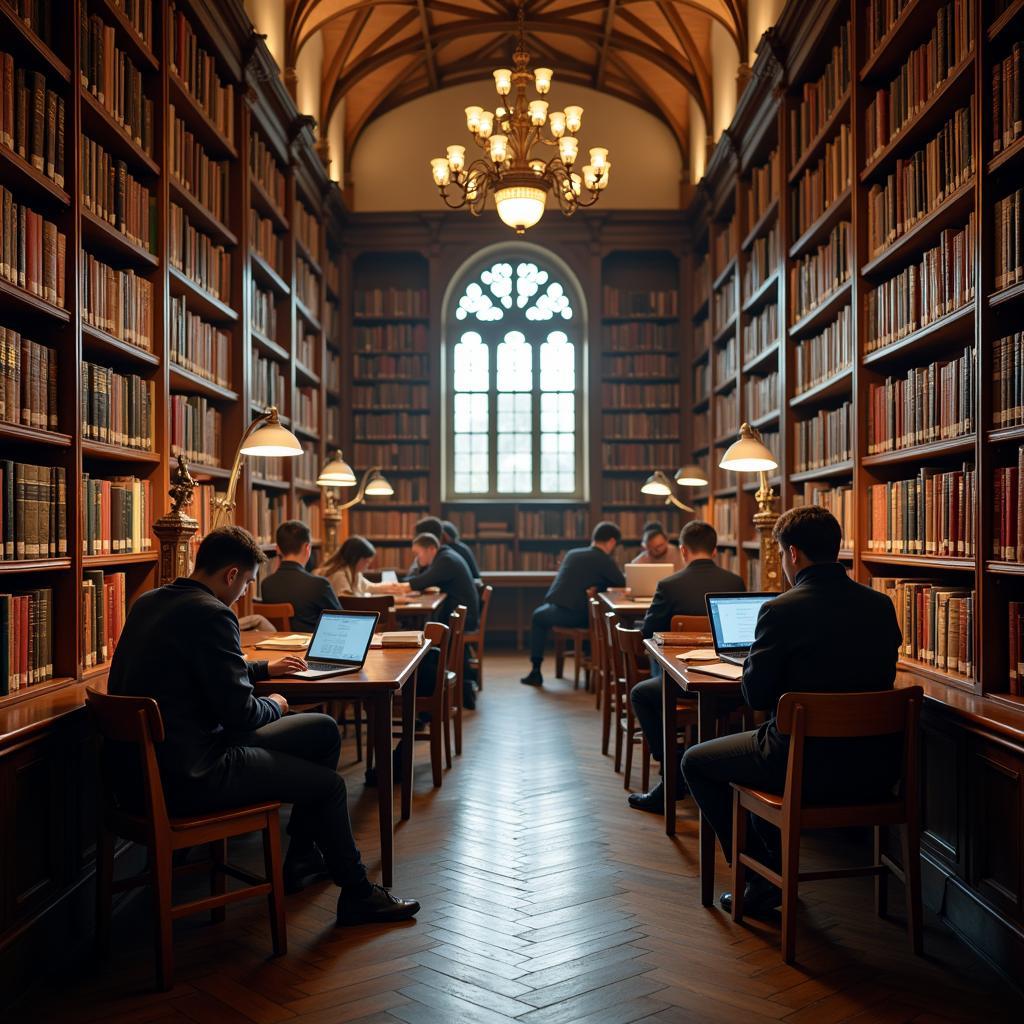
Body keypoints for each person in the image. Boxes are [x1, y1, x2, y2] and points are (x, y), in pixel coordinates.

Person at [106, 525, 419, 925]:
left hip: (133, 777)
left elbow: (207, 669)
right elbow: (241, 716)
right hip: (195, 773)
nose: (244, 593)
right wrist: (275, 703)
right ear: (232, 574)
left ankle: (304, 857)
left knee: (323, 731)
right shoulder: (213, 614)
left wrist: (262, 668)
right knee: (330, 786)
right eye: (248, 581)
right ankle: (357, 893)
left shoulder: (148, 601)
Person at [681, 506, 903, 916]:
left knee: (695, 761)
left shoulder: (780, 610)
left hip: (801, 768)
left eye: (782, 555)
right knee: (762, 751)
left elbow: (757, 697)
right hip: (877, 769)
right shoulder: (881, 605)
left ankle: (765, 879)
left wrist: (752, 660)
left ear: (793, 554)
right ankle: (767, 872)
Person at [628, 520, 745, 813]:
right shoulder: (735, 582)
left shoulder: (669, 585)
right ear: (716, 550)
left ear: (682, 550)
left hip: (681, 686)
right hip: (728, 686)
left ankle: (671, 773)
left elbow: (649, 635)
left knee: (641, 694)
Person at [521, 521, 625, 688]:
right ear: (612, 541)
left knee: (538, 617)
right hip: (582, 616)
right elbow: (622, 583)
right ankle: (589, 659)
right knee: (542, 616)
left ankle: (536, 670)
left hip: (559, 609)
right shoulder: (604, 560)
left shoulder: (572, 554)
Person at [394, 532, 479, 707]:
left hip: (464, 619)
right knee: (425, 634)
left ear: (431, 549)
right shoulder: (445, 556)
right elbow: (422, 579)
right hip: (459, 614)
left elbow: (422, 581)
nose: (417, 559)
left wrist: (393, 588)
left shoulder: (446, 559)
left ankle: (419, 698)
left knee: (424, 643)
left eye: (419, 554)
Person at [260, 520, 340, 631]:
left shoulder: (266, 585)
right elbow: (342, 622)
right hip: (310, 647)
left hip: (276, 646)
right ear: (307, 548)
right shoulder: (319, 585)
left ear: (277, 549)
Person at [316, 535, 395, 597]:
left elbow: (370, 587)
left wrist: (400, 588)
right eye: (366, 562)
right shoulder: (338, 575)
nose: (367, 566)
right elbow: (349, 602)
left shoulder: (354, 573)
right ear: (355, 558)